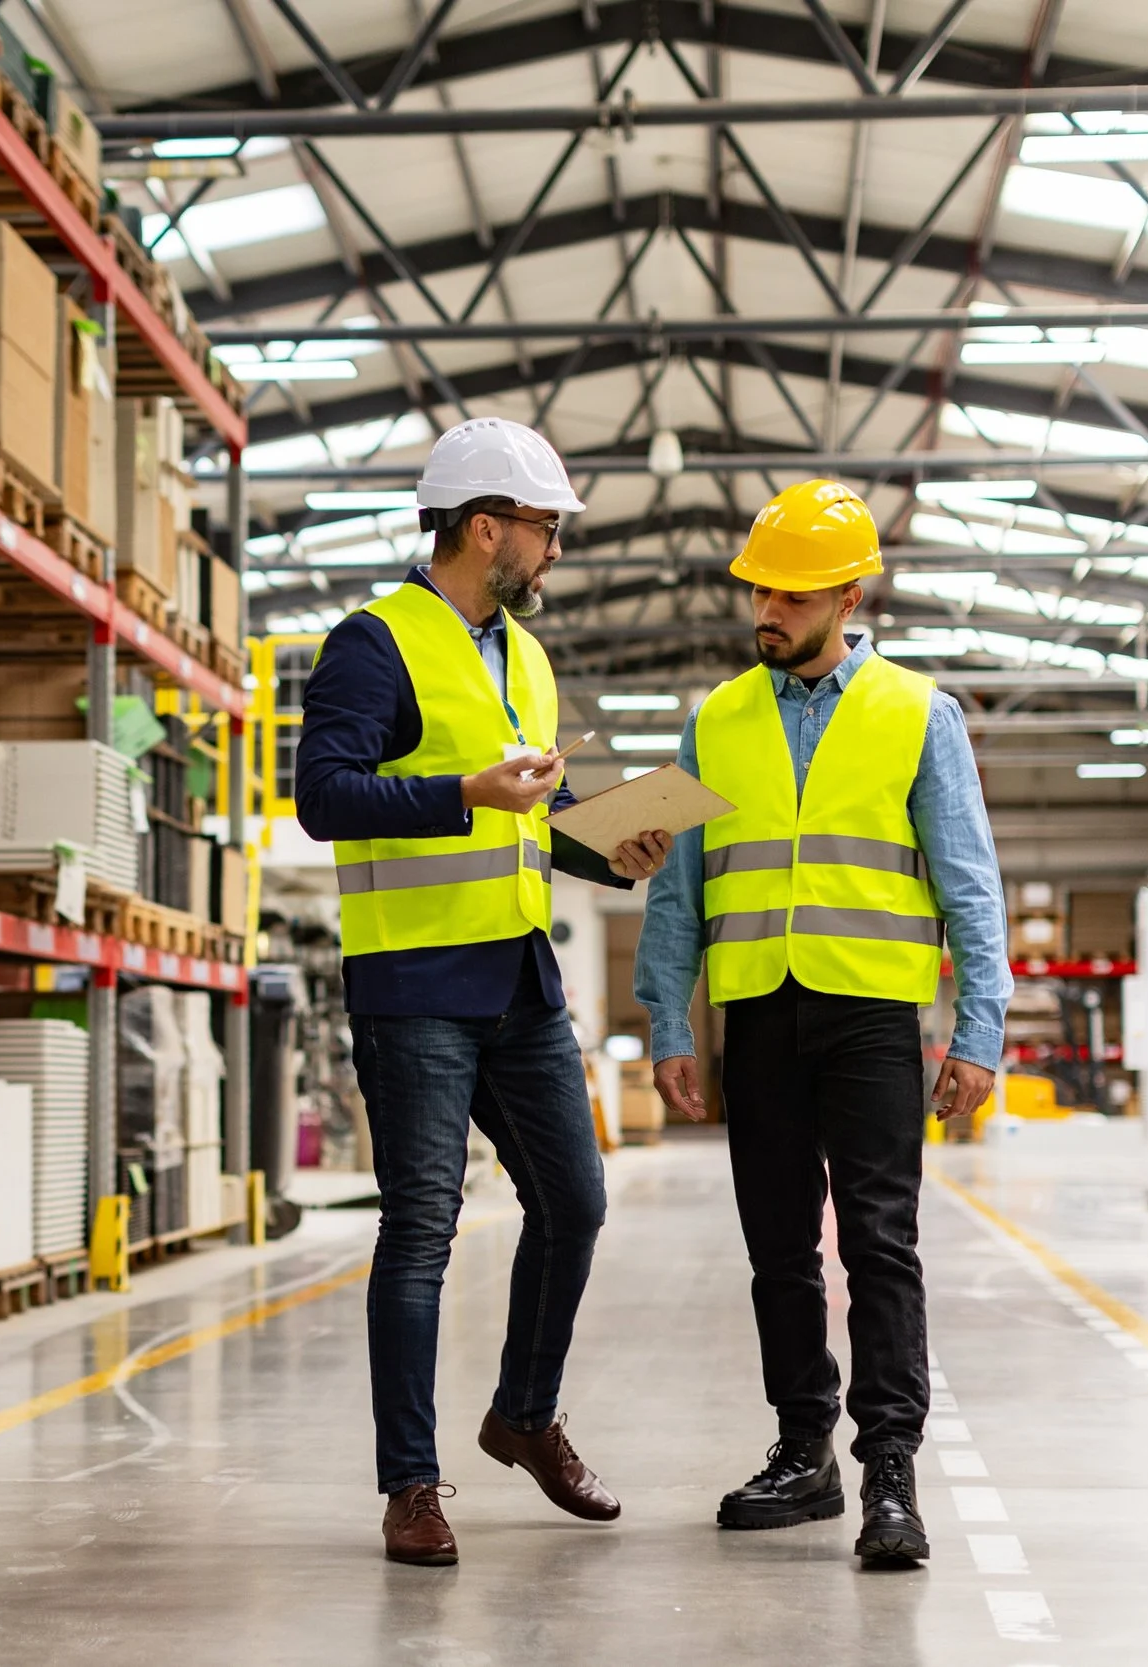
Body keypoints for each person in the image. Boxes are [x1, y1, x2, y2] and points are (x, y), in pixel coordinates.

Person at [294, 417, 672, 1567]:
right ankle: (411, 1482)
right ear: (483, 526)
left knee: (577, 1200)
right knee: (421, 1229)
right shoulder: (375, 642)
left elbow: (523, 812)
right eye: (544, 529)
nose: (553, 550)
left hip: (519, 974)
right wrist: (463, 788)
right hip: (413, 979)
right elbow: (323, 795)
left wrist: (606, 846)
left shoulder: (525, 654)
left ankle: (522, 1411)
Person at [635, 479, 1009, 1570]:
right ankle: (805, 1451)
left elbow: (969, 886)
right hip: (755, 1015)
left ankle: (888, 1470)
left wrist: (979, 1030)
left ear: (847, 595)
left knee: (880, 1244)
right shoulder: (715, 718)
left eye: (794, 593)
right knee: (777, 1249)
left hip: (870, 1017)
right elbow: (677, 890)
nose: (770, 608)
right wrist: (668, 1020)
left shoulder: (916, 712)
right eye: (761, 586)